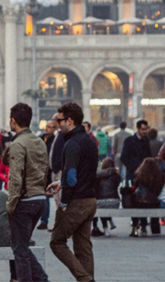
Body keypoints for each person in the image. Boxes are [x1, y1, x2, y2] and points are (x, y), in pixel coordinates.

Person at [47, 102, 98, 282]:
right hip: (90, 199)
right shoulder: (89, 141)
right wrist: (60, 182)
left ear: (69, 120)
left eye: (59, 120)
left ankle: (85, 279)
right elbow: (84, 171)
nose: (57, 125)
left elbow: (71, 175)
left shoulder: (72, 143)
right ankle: (87, 278)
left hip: (76, 201)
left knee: (57, 242)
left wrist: (64, 202)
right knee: (83, 246)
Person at [6, 103, 49, 282]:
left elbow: (15, 178)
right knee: (22, 246)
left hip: (24, 200)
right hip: (40, 198)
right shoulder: (39, 141)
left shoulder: (18, 144)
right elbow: (45, 169)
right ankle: (42, 280)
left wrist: (10, 204)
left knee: (20, 251)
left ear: (13, 121)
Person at [120, 119, 152, 234]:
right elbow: (123, 157)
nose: (145, 132)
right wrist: (134, 168)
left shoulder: (146, 141)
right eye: (143, 129)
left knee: (143, 199)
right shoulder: (129, 141)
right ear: (138, 129)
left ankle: (143, 225)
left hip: (143, 175)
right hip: (132, 175)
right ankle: (134, 224)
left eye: (146, 129)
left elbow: (149, 157)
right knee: (133, 199)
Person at [132, 158, 165, 237]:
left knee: (140, 204)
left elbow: (135, 185)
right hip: (154, 201)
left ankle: (143, 227)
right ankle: (155, 228)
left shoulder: (140, 175)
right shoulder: (159, 175)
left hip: (142, 201)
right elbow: (160, 188)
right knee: (154, 205)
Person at [38, 116, 59, 230]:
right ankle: (43, 221)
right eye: (46, 127)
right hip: (41, 172)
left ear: (54, 129)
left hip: (51, 172)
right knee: (43, 197)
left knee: (55, 197)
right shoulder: (40, 138)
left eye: (50, 127)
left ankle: (55, 222)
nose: (47, 129)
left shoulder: (55, 140)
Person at [93, 158, 119, 237]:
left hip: (101, 202)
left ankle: (104, 228)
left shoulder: (98, 176)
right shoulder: (116, 176)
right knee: (104, 204)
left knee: (99, 205)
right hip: (115, 202)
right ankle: (110, 222)